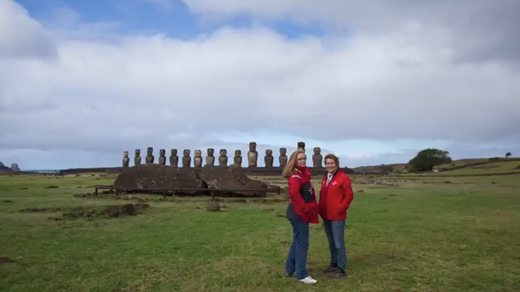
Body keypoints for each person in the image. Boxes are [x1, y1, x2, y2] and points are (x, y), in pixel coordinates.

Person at [282, 149, 320, 284]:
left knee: (296, 242)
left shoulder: (302, 174)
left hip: (297, 212)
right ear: (294, 161)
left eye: (304, 158)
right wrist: (306, 208)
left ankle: (289, 268)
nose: (303, 161)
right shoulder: (295, 176)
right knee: (302, 243)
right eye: (300, 159)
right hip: (299, 213)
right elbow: (294, 195)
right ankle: (302, 275)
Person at [318, 153, 354, 279]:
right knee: (331, 242)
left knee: (339, 243)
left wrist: (341, 207)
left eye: (332, 163)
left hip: (337, 216)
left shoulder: (343, 178)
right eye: (327, 163)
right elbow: (322, 195)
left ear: (336, 164)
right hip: (326, 215)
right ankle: (333, 264)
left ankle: (341, 269)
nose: (330, 165)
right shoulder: (325, 178)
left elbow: (349, 195)